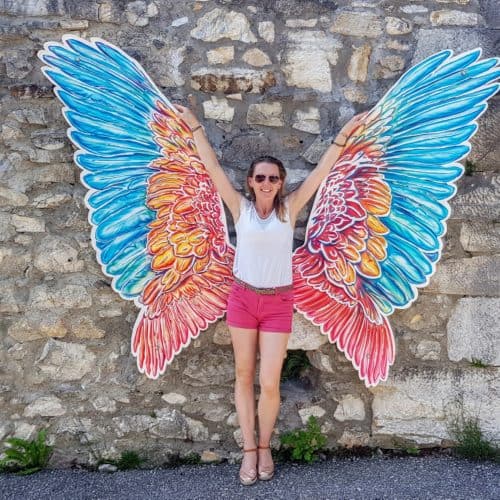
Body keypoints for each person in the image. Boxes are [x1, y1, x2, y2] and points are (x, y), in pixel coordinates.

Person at [174, 101, 363, 485]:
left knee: (271, 382)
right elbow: (211, 168)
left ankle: (264, 447)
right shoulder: (240, 210)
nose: (266, 184)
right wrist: (194, 127)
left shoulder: (289, 210)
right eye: (260, 178)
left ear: (281, 183)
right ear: (250, 181)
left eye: (273, 178)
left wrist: (344, 136)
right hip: (243, 299)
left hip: (278, 303)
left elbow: (323, 172)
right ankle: (247, 452)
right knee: (243, 377)